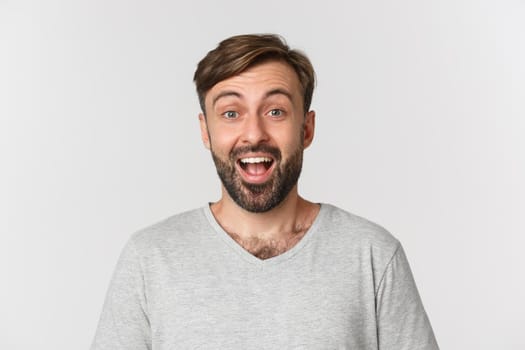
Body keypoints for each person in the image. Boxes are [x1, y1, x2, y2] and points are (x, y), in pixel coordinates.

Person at [91, 34, 439, 349]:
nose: (254, 133)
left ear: (306, 128)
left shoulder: (373, 255)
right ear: (206, 132)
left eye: (275, 111)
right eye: (231, 113)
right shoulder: (149, 259)